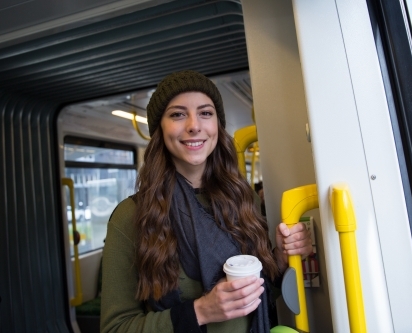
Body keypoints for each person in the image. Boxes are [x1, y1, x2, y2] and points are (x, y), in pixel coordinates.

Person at [100, 70, 312, 333]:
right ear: (160, 129)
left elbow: (260, 294)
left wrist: (279, 259)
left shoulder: (242, 200)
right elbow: (115, 328)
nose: (194, 125)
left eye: (205, 113)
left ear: (217, 126)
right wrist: (200, 311)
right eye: (177, 114)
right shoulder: (131, 216)